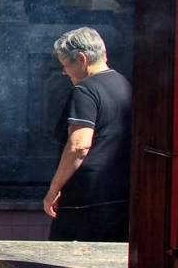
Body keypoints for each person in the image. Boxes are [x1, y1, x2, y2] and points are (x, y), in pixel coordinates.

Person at [43, 26, 131, 242]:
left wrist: (53, 190)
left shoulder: (85, 90)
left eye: (65, 64)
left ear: (81, 58)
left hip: (85, 198)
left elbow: (79, 145)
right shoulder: (125, 84)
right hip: (120, 195)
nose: (64, 72)